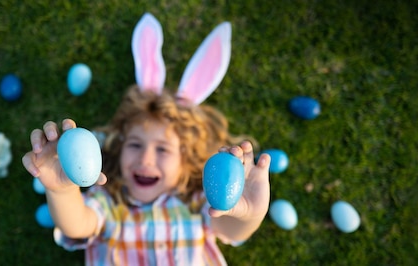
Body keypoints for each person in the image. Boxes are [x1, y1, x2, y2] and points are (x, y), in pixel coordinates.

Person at [21, 13, 271, 265]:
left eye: (163, 150)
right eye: (135, 144)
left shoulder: (198, 203)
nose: (145, 158)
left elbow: (231, 229)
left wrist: (249, 212)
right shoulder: (109, 203)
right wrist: (62, 190)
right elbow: (77, 225)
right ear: (119, 149)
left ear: (185, 161)